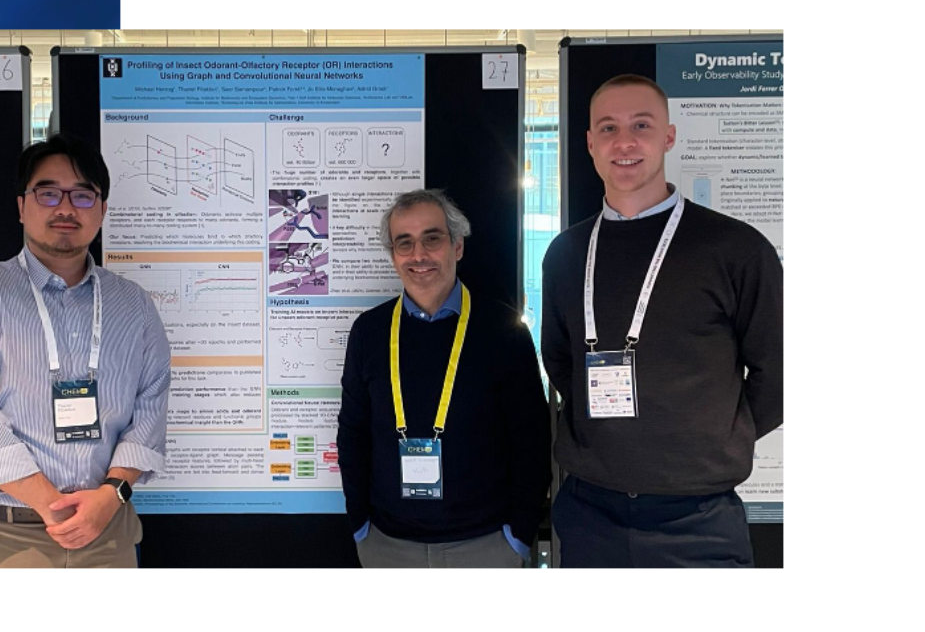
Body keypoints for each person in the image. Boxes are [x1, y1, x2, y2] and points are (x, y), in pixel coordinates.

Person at [538, 75, 783, 568]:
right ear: (590, 143)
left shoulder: (735, 249)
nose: (624, 142)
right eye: (608, 128)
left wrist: (715, 438)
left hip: (698, 519)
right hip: (589, 513)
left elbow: (779, 373)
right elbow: (561, 361)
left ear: (668, 137)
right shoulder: (566, 253)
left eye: (641, 125)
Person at [0, 135, 172, 567]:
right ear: (22, 207)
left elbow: (149, 411)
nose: (65, 208)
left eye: (82, 195)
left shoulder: (134, 306)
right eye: (48, 193)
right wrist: (53, 506)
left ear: (102, 209)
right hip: (4, 541)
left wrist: (110, 496)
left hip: (108, 535)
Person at [334, 189, 551, 567]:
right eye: (405, 243)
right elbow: (353, 433)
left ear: (457, 246)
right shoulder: (369, 332)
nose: (418, 255)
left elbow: (531, 437)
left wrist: (518, 536)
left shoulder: (504, 330)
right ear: (393, 255)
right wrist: (361, 527)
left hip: (485, 546)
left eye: (432, 239)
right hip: (387, 545)